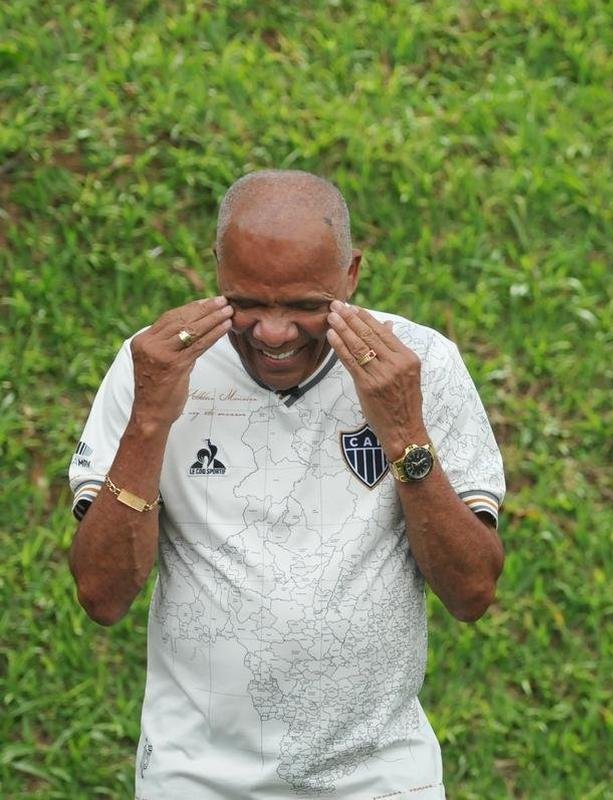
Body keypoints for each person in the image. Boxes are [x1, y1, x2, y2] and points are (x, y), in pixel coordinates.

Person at [68, 170, 505, 799]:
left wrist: (405, 433)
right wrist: (150, 421)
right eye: (247, 302)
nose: (273, 333)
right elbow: (101, 597)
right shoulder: (154, 365)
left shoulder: (422, 365)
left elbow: (472, 593)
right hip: (194, 781)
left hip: (378, 781)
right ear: (217, 266)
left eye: (305, 306)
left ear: (351, 275)